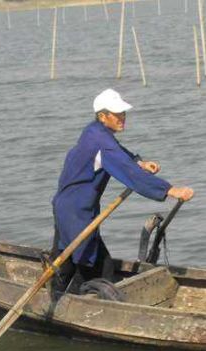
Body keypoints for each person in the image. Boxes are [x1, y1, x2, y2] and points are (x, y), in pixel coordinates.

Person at [50, 88, 194, 294]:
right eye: (117, 114)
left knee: (66, 259)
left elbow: (118, 153)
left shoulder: (93, 131)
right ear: (102, 116)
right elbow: (129, 173)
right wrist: (170, 190)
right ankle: (66, 301)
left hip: (67, 206)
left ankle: (56, 295)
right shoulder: (100, 140)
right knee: (95, 266)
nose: (122, 118)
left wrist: (139, 162)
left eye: (123, 113)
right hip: (76, 211)